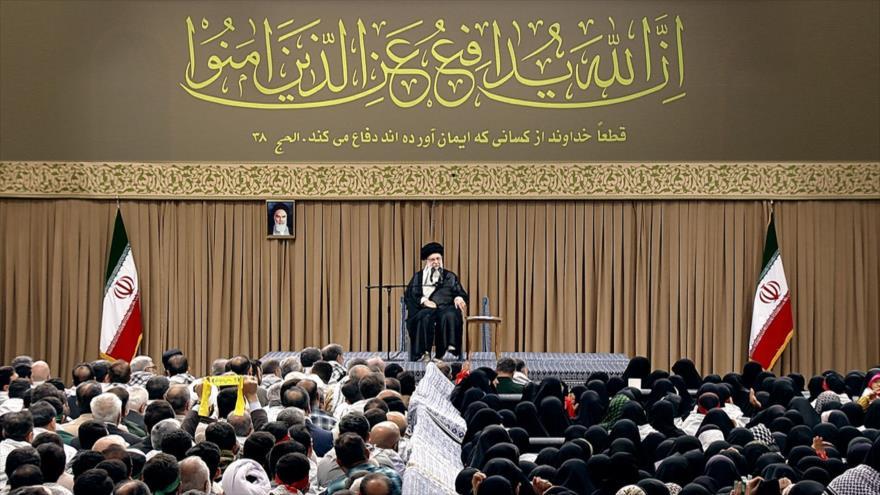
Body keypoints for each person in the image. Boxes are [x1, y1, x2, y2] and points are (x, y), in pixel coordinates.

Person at [404, 242, 468, 361]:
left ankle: (444, 351)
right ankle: (425, 352)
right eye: (432, 259)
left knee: (450, 314)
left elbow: (459, 292)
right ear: (427, 261)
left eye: (438, 258)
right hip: (424, 309)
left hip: (445, 308)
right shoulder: (418, 277)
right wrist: (424, 301)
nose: (436, 262)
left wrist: (458, 297)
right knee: (424, 316)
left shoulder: (450, 276)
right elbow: (411, 294)